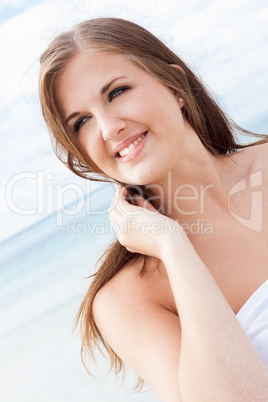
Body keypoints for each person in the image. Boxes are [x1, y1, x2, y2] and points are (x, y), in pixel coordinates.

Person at [39, 17, 268, 401]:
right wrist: (172, 247)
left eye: (117, 92)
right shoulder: (127, 298)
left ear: (175, 85)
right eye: (81, 121)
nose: (109, 127)